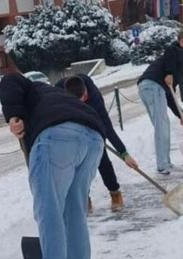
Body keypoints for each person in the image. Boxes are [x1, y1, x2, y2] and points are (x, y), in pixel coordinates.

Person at [0, 73, 105, 259]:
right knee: (74, 209)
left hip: (57, 137)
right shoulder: (55, 96)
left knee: (49, 210)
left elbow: (10, 78)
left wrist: (13, 115)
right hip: (93, 138)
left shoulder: (33, 89)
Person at [55, 74, 139, 211]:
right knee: (78, 164)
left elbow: (107, 127)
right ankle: (84, 197)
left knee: (101, 157)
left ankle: (115, 192)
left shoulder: (94, 98)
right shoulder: (58, 92)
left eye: (83, 99)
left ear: (85, 93)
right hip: (72, 124)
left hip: (94, 121)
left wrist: (124, 153)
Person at [137, 44, 183, 175]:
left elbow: (171, 98)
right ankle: (162, 165)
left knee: (162, 126)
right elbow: (170, 49)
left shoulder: (169, 66)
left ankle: (166, 162)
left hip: (145, 87)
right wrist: (169, 73)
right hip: (154, 86)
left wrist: (182, 116)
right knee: (162, 128)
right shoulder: (178, 58)